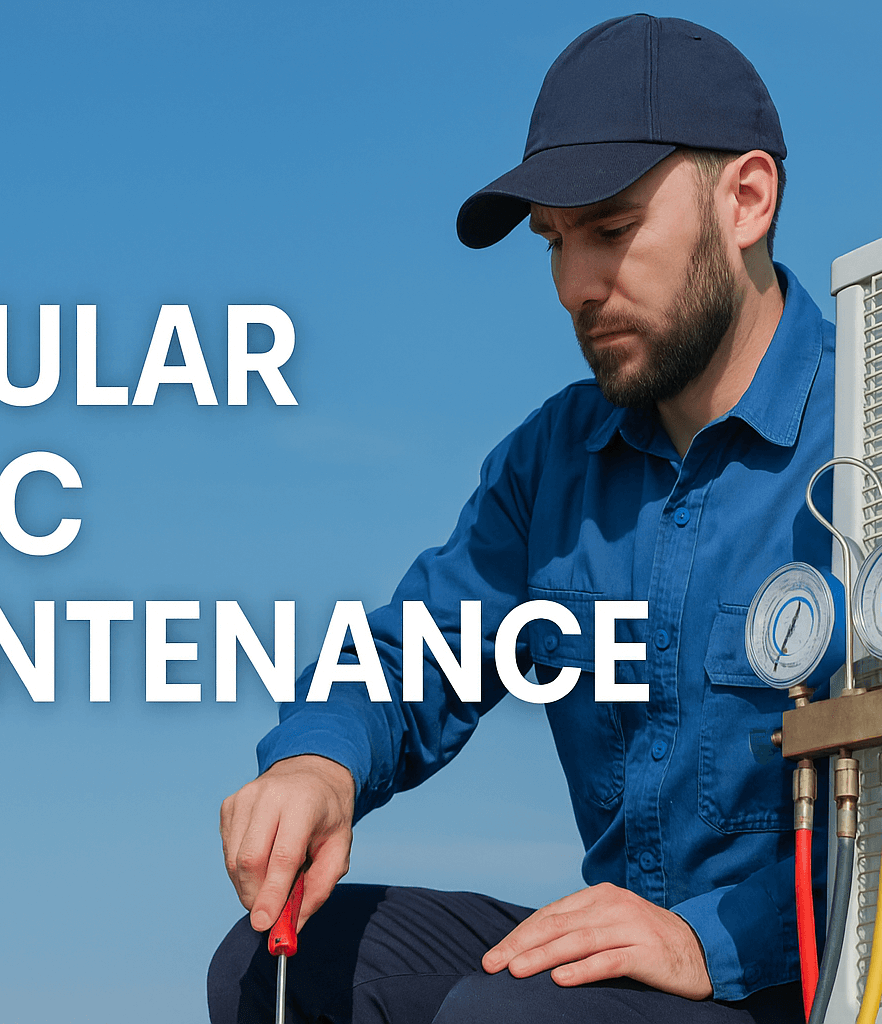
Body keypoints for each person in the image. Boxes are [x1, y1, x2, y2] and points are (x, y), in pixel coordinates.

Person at [208, 14, 832, 1024]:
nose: (575, 287)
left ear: (746, 199)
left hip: (799, 979)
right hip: (614, 967)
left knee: (508, 1018)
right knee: (268, 962)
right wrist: (320, 759)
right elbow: (414, 656)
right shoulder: (552, 462)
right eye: (554, 241)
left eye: (613, 229)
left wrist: (710, 939)